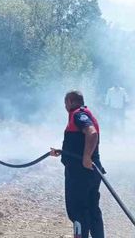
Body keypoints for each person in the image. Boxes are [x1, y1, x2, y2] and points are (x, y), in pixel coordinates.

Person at [51, 90, 105, 238]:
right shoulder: (84, 113)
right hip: (90, 171)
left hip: (80, 173)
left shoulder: (78, 115)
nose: (65, 106)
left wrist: (87, 157)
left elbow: (91, 133)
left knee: (78, 211)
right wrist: (62, 151)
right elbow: (79, 142)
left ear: (69, 101)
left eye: (65, 103)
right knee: (92, 209)